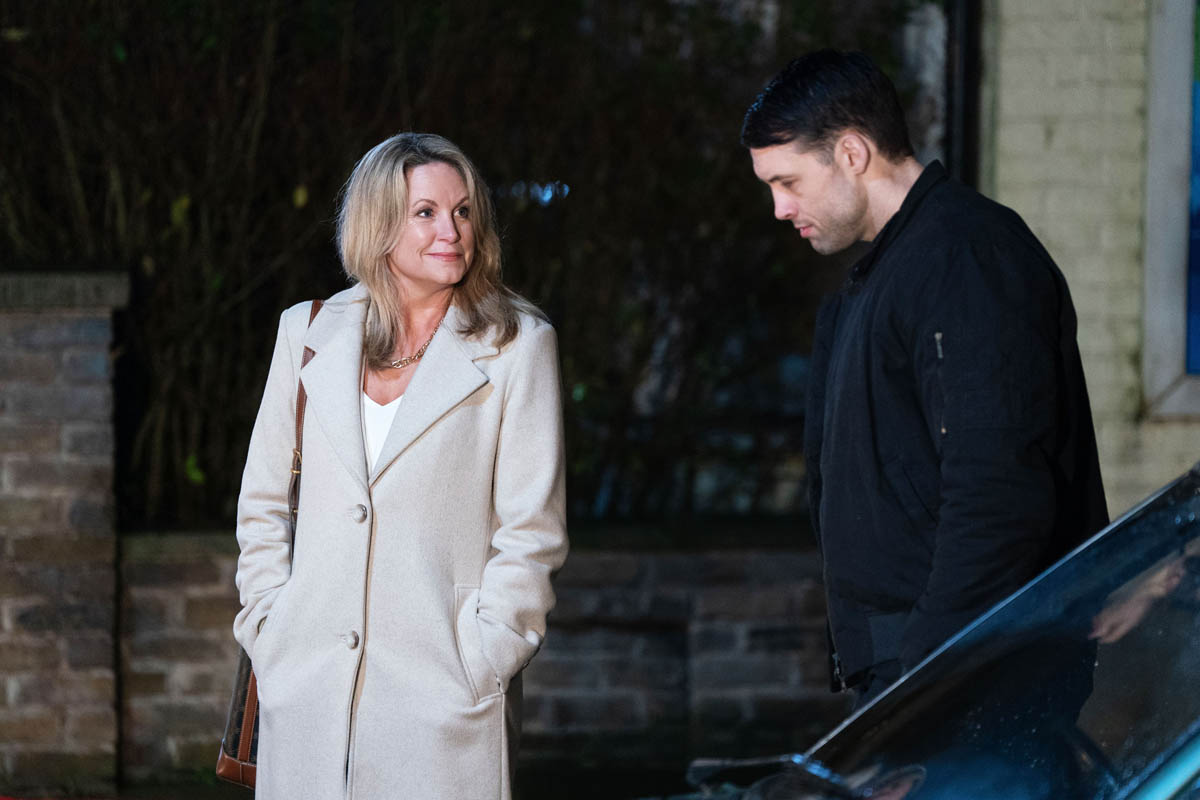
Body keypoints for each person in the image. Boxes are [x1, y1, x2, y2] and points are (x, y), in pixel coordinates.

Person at [741, 50, 1108, 707]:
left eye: (788, 181)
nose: (779, 207)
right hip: (927, 670)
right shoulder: (889, 274)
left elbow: (997, 493)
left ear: (852, 152)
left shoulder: (965, 257)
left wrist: (924, 682)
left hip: (972, 680)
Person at [231, 132, 568, 798]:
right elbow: (263, 501)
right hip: (306, 691)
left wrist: (486, 659)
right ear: (378, 223)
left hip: (444, 700)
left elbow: (532, 530)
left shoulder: (518, 345)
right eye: (426, 212)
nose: (452, 230)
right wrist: (269, 630)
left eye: (464, 211)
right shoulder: (307, 332)